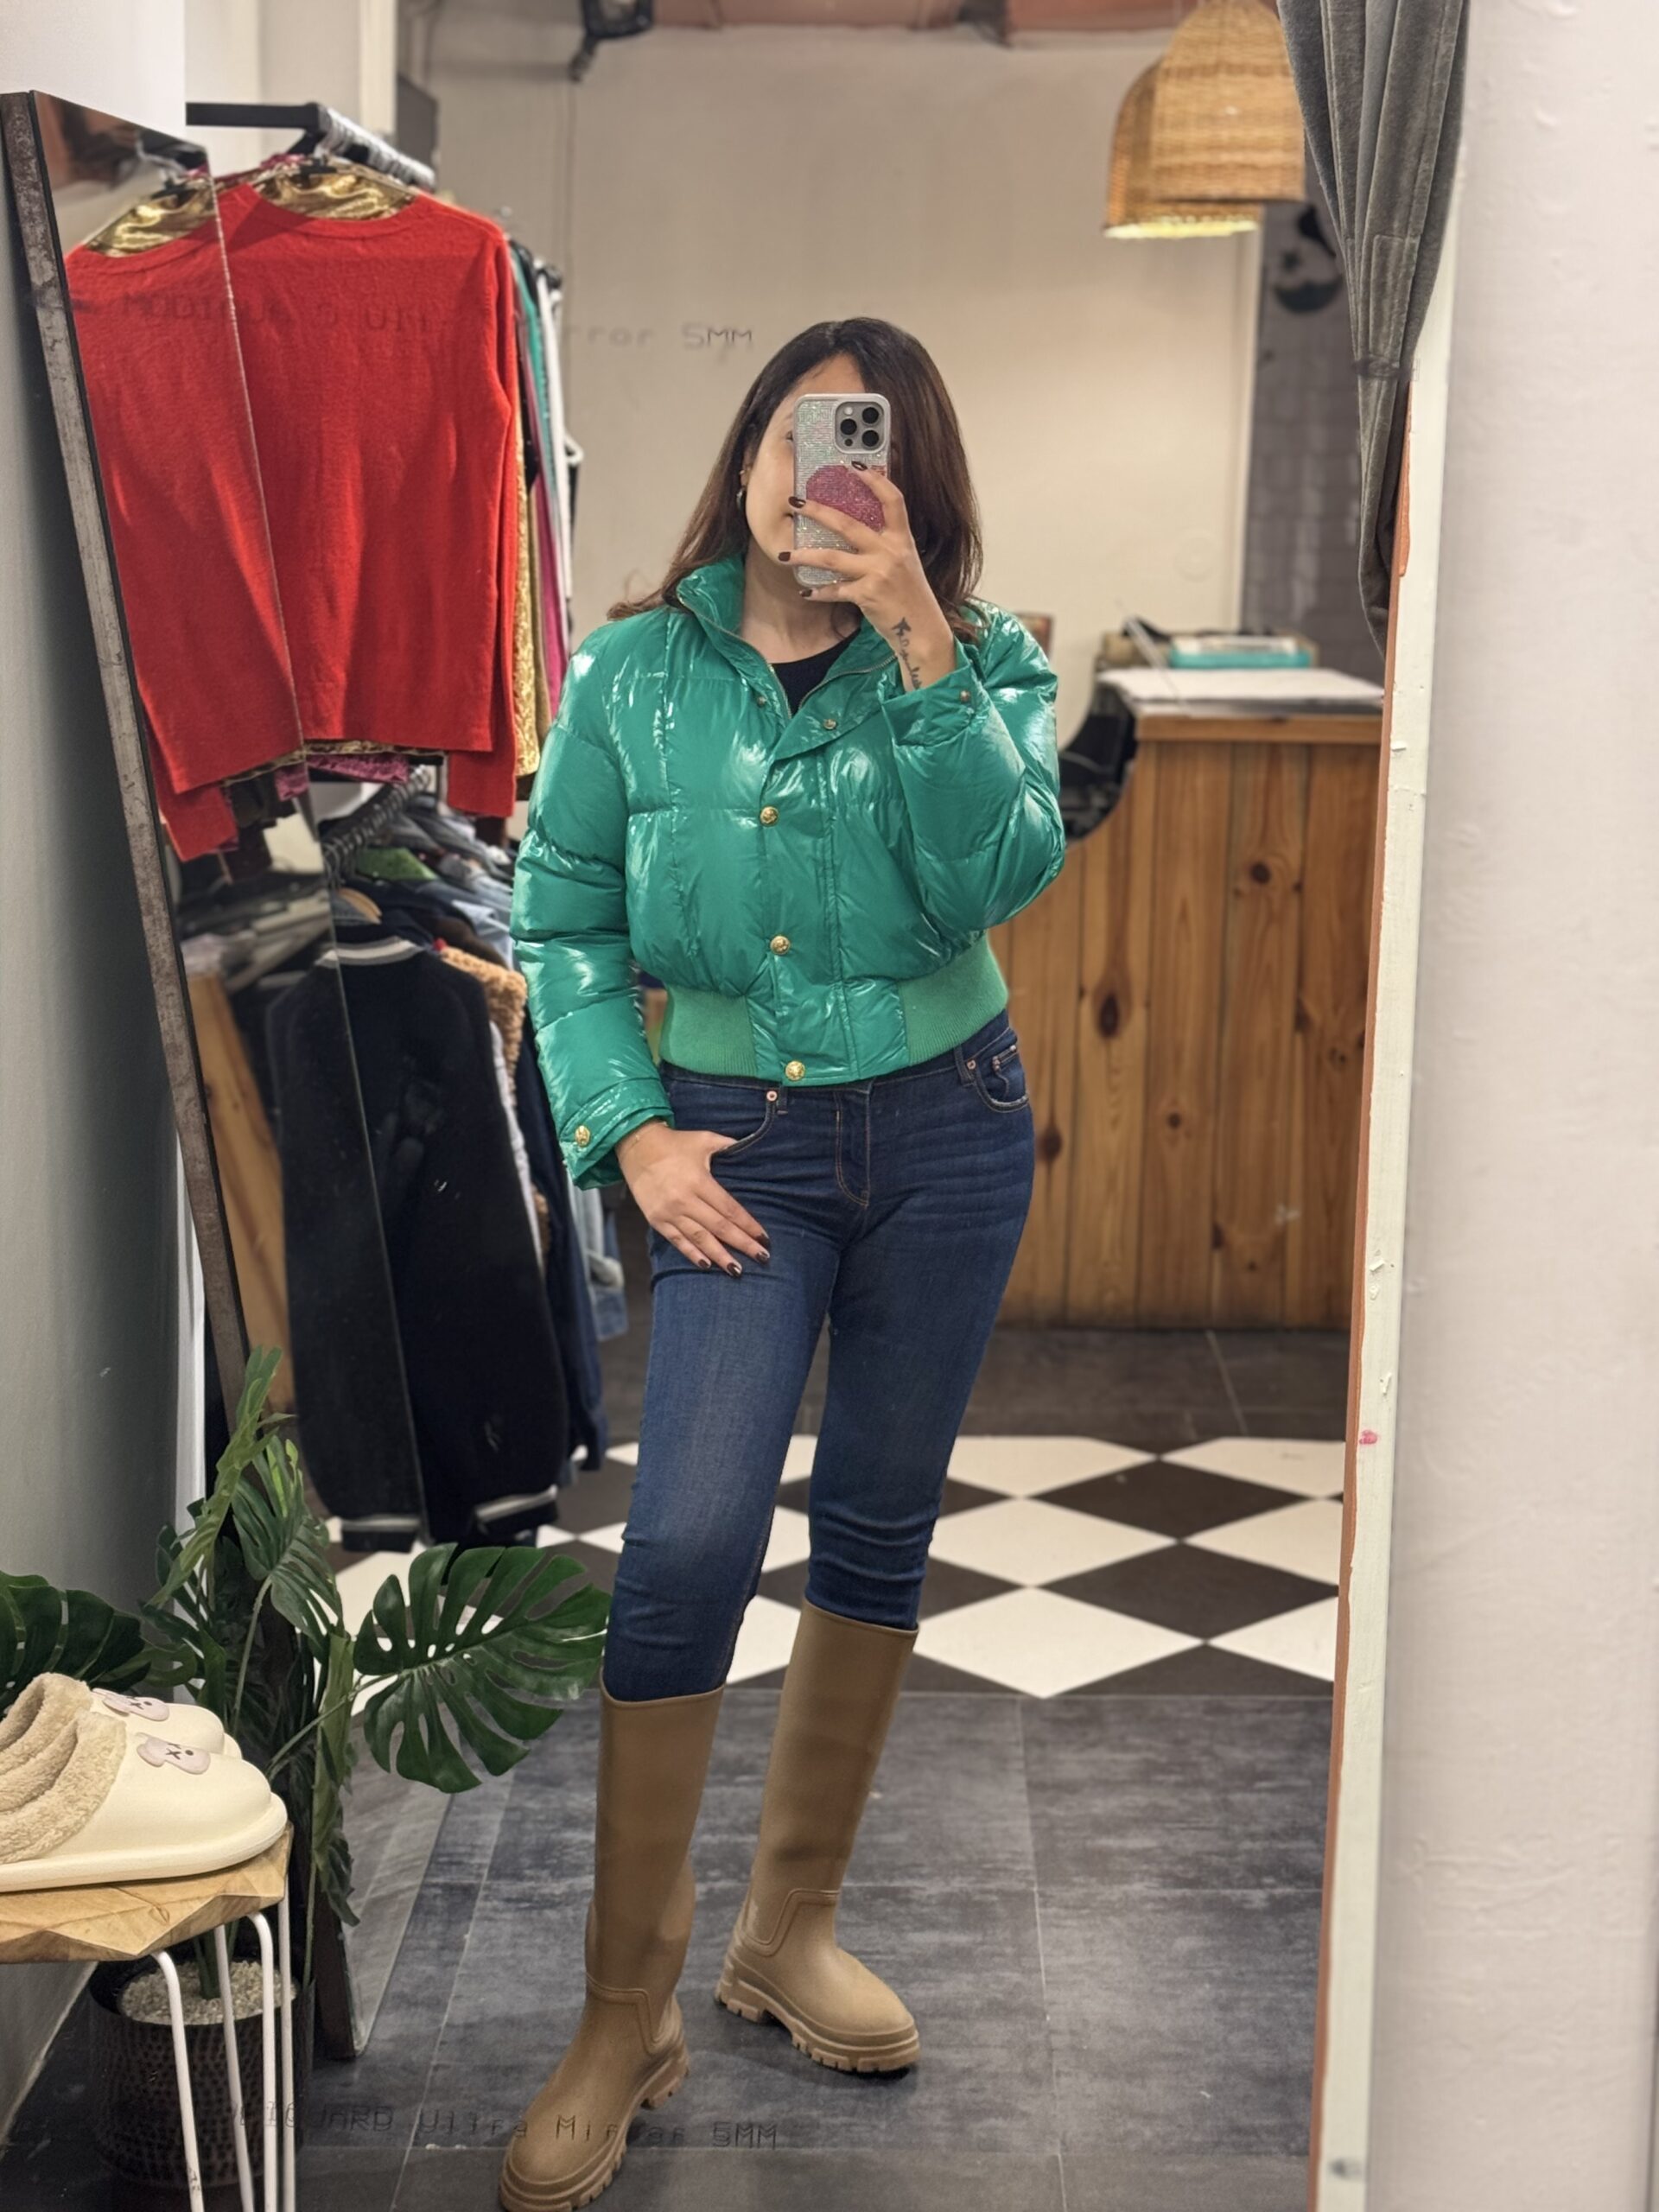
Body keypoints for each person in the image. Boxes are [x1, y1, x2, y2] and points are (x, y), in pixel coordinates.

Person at [501, 316, 1064, 2212]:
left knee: (879, 1531)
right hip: (734, 1145)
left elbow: (999, 875)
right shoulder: (632, 674)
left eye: (860, 440)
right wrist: (629, 1129)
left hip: (951, 1127)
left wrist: (918, 637)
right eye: (795, 429)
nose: (818, 467)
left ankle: (784, 1928)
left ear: (909, 478)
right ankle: (623, 2010)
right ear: (749, 451)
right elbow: (562, 916)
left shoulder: (981, 660)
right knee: (683, 1543)